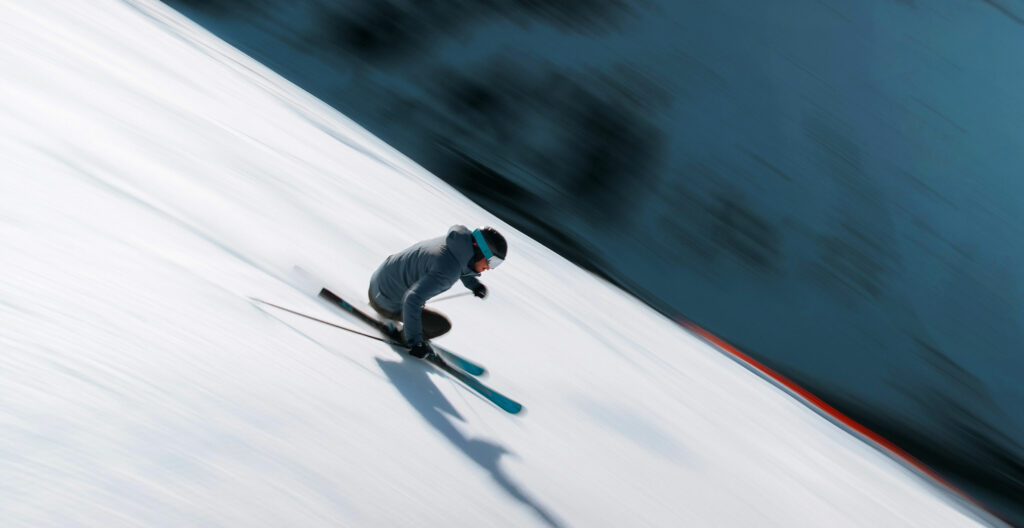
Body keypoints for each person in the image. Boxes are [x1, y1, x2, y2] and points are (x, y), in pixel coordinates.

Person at [368, 225, 508, 359]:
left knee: (419, 302)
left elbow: (460, 266)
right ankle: (403, 337)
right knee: (441, 326)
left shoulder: (456, 244)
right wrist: (415, 342)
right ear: (480, 251)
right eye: (492, 261)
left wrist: (473, 285)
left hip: (379, 283)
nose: (490, 268)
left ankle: (408, 328)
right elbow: (412, 300)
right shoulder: (448, 271)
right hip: (385, 301)